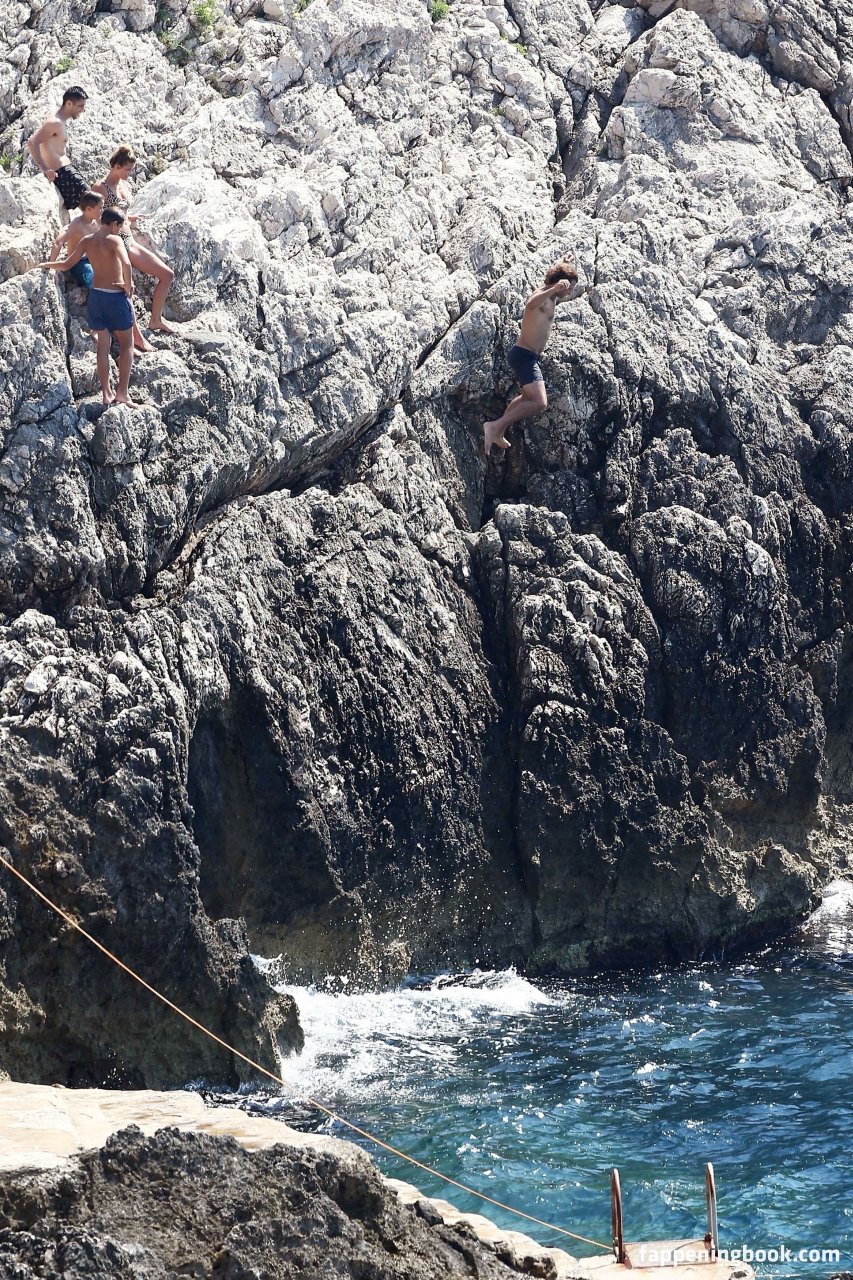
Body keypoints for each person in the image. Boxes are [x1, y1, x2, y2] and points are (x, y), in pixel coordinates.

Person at [34, 208, 140, 408]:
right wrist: (129, 284)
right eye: (119, 227)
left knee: (103, 346)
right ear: (114, 225)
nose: (119, 230)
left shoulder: (87, 240)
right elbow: (126, 263)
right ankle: (122, 393)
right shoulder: (115, 240)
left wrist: (45, 264)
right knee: (127, 344)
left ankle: (106, 394)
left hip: (96, 297)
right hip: (115, 298)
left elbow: (66, 264)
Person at [484, 257, 580, 456]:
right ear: (559, 284)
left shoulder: (551, 294)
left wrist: (563, 263)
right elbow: (530, 304)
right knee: (539, 402)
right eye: (569, 288)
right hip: (524, 356)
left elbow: (552, 279)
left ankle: (499, 431)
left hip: (528, 356)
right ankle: (494, 426)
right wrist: (554, 288)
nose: (570, 292)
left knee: (526, 398)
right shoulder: (544, 296)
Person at [49, 189, 153, 352]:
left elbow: (114, 223)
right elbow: (58, 242)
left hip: (95, 259)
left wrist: (129, 218)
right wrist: (50, 267)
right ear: (88, 209)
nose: (102, 210)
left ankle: (133, 337)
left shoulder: (98, 221)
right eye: (100, 207)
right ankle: (105, 332)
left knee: (121, 286)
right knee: (100, 285)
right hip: (80, 263)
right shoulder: (76, 224)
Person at [93, 144, 175, 334]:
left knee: (167, 275)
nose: (130, 173)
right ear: (117, 166)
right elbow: (97, 219)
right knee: (127, 289)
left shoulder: (122, 183)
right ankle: (133, 336)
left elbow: (117, 211)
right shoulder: (100, 187)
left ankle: (156, 320)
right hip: (117, 243)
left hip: (129, 239)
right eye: (128, 169)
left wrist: (129, 218)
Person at [27, 86, 90, 213]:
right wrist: (45, 169)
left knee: (92, 207)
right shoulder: (54, 122)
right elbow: (32, 142)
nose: (83, 109)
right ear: (69, 103)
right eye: (80, 106)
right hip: (63, 174)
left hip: (67, 172)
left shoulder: (60, 122)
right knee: (92, 205)